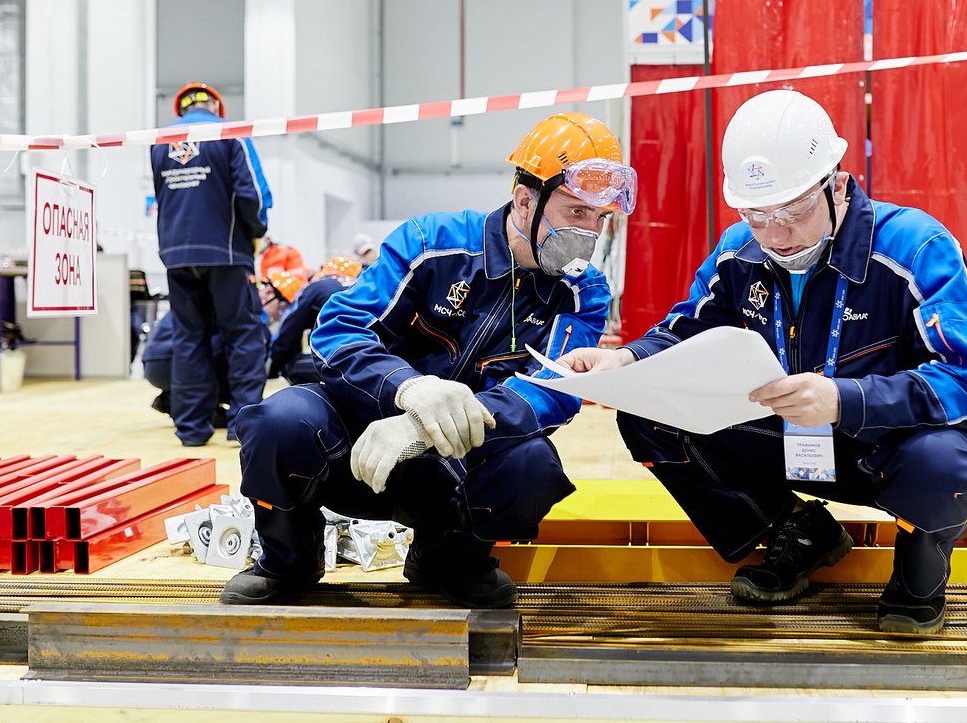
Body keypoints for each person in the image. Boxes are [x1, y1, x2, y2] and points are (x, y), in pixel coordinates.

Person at [559, 90, 967, 635]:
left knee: (946, 464)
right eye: (757, 215)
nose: (776, 235)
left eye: (793, 211)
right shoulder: (739, 251)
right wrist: (623, 358)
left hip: (887, 448)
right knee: (652, 417)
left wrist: (844, 399)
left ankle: (921, 562)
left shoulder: (916, 247)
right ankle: (799, 530)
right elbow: (684, 328)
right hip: (793, 441)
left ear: (835, 185)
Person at [219, 113, 639, 608]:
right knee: (278, 421)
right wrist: (408, 389)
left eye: (601, 218)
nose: (591, 234)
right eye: (576, 214)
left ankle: (447, 560)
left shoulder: (582, 292)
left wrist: (426, 427)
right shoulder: (430, 244)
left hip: (454, 463)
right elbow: (338, 329)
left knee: (532, 466)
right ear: (526, 201)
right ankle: (289, 561)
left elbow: (551, 391)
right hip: (358, 445)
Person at [151, 81, 273, 447]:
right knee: (243, 336)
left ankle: (191, 430)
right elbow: (253, 193)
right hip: (226, 253)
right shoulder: (229, 132)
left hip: (176, 255)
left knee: (188, 338)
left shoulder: (158, 141)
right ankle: (243, 426)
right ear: (217, 107)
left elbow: (159, 196)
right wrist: (256, 231)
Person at [267, 258, 360, 385]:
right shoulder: (363, 286)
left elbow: (288, 333)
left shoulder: (317, 287)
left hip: (346, 362)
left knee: (291, 364)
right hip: (378, 359)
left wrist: (276, 362)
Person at [141, 309, 234, 430]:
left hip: (152, 362)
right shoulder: (235, 300)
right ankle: (201, 407)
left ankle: (173, 398)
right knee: (239, 348)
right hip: (177, 362)